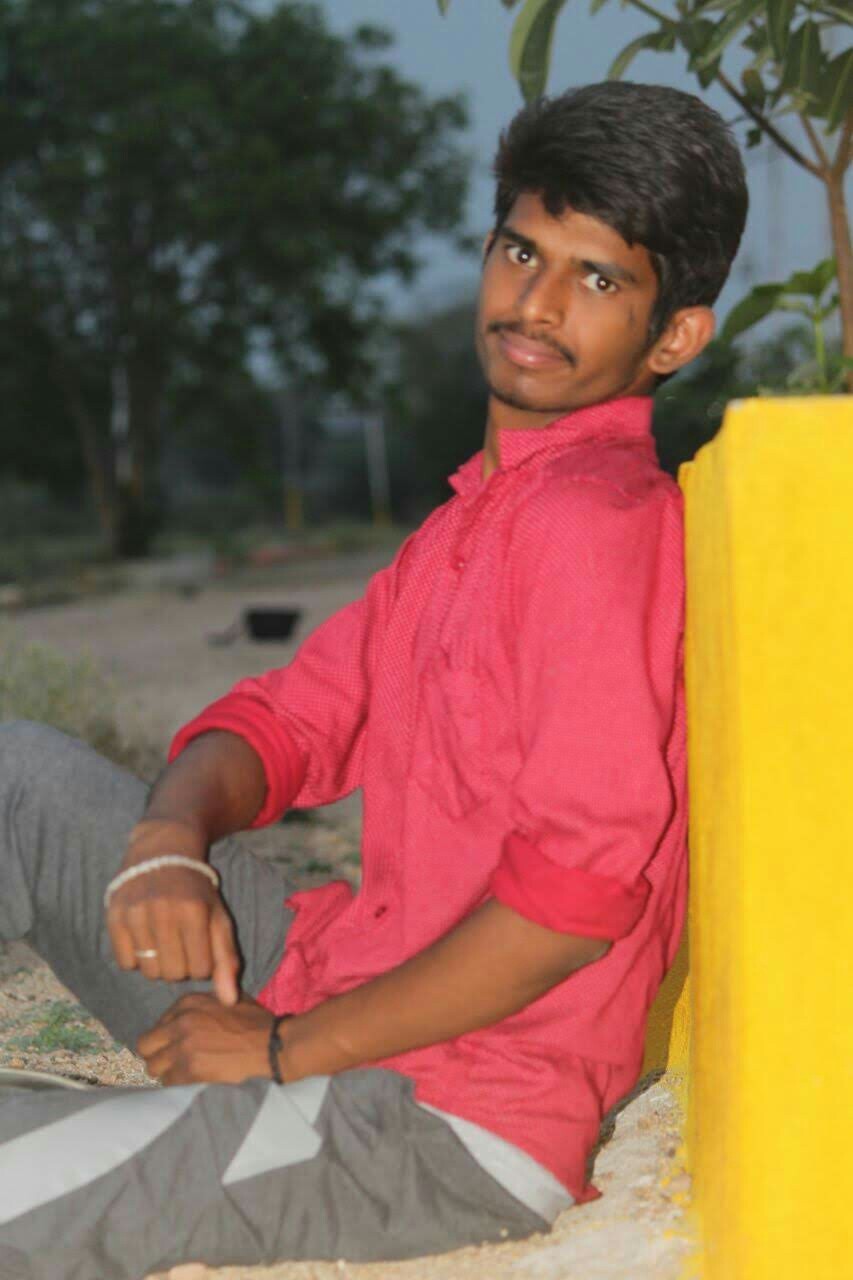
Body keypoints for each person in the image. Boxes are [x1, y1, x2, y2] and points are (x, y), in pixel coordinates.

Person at [0, 81, 748, 1278]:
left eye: (598, 279)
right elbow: (281, 721)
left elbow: (571, 902)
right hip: (321, 982)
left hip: (439, 1124)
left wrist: (282, 1051)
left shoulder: (597, 525)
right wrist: (169, 837)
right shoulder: (468, 525)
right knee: (19, 776)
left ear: (673, 337)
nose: (537, 303)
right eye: (522, 251)